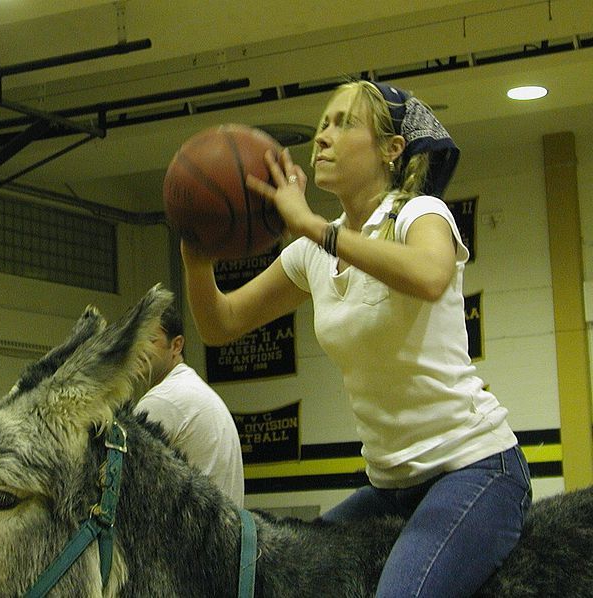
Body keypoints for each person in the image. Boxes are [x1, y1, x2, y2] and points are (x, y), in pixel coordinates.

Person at [181, 79, 531, 597]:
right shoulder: (310, 252)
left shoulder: (418, 213)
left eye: (344, 123)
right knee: (286, 578)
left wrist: (314, 228)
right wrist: (197, 255)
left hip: (474, 469)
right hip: (389, 486)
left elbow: (430, 276)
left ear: (392, 151)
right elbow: (220, 324)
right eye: (323, 123)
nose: (322, 136)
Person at [134, 303, 244, 506]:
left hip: (194, 534)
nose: (137, 348)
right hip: (221, 531)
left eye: (149, 340)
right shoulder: (193, 388)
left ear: (176, 346)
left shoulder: (162, 400)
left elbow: (132, 492)